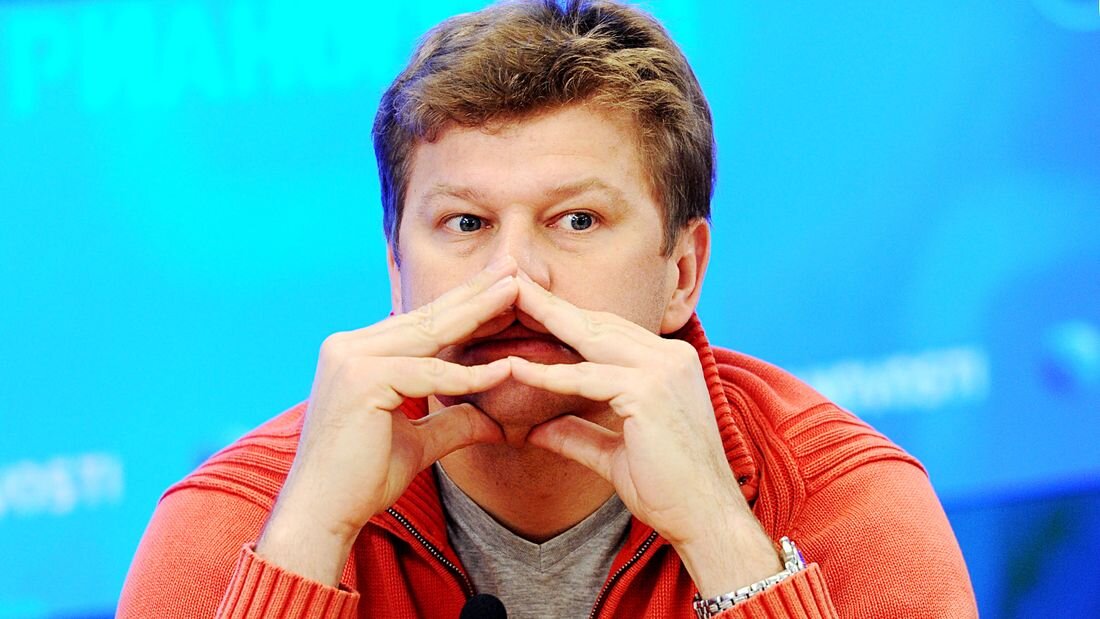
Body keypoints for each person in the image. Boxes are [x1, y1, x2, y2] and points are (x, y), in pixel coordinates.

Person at [118, 1, 978, 617]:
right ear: (396, 270)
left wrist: (724, 539)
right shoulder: (231, 522)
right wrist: (306, 541)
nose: (514, 277)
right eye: (466, 223)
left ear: (682, 271)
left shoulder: (847, 506)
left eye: (577, 221)